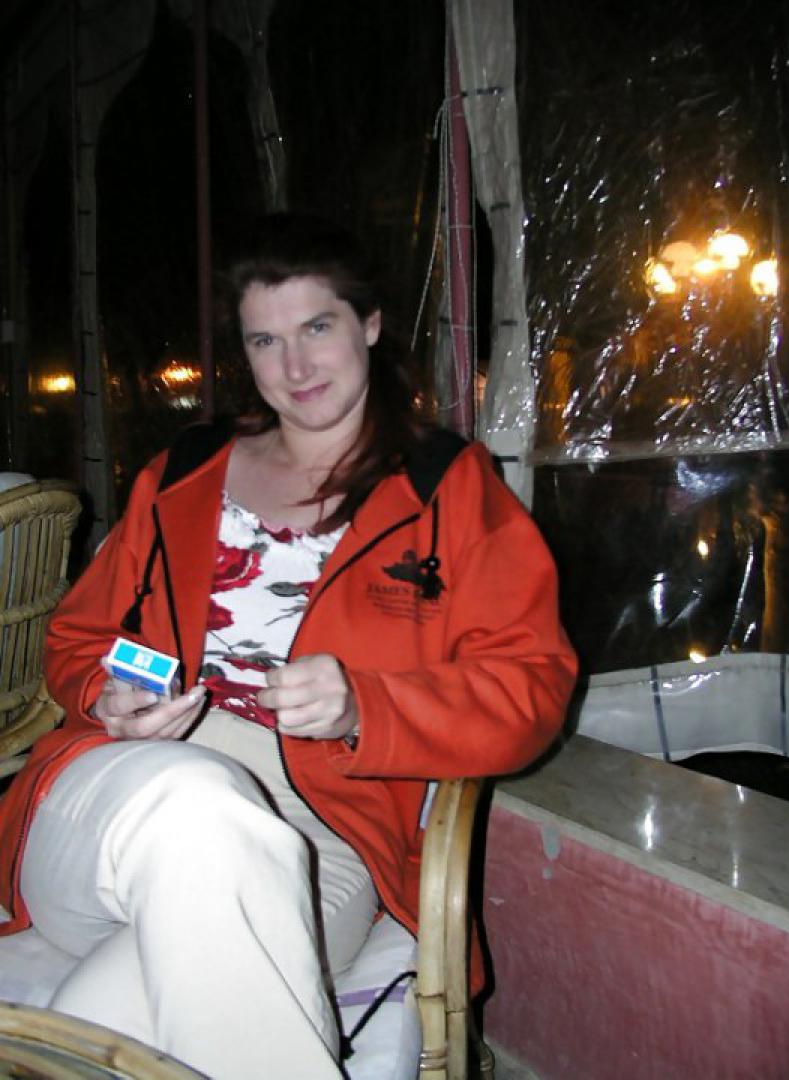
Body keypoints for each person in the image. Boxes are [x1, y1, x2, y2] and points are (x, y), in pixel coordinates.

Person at [0, 212, 577, 1079]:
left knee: (111, 1020)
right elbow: (84, 637)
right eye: (265, 341)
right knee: (197, 802)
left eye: (317, 328)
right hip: (125, 793)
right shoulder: (184, 471)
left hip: (323, 833)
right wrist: (111, 693)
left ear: (369, 325)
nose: (295, 367)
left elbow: (530, 689)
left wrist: (366, 707)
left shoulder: (445, 489)